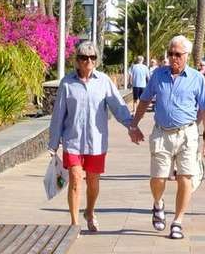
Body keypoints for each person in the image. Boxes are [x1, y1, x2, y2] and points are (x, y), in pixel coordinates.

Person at [48, 39, 143, 233]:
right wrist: (53, 142)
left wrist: (131, 126)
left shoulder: (104, 81)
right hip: (72, 140)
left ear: (96, 60)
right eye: (83, 57)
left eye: (92, 57)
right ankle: (74, 224)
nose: (87, 61)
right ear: (77, 60)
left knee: (93, 182)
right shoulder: (67, 83)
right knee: (75, 178)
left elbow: (118, 106)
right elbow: (58, 115)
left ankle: (90, 212)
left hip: (96, 142)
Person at [130, 35, 205, 241]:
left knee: (186, 177)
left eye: (178, 54)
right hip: (162, 133)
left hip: (187, 134)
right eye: (170, 54)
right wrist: (134, 124)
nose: (173, 58)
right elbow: (144, 100)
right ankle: (158, 204)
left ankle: (177, 221)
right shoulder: (158, 75)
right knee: (158, 178)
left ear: (186, 56)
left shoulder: (196, 78)